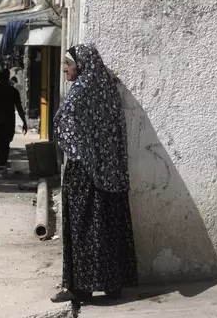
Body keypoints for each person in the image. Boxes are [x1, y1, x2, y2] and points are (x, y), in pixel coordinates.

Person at [51, 44, 138, 303]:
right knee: (106, 225)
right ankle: (113, 286)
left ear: (82, 65)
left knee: (81, 227)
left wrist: (79, 149)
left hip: (84, 170)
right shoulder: (107, 87)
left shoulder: (81, 88)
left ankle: (79, 288)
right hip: (110, 172)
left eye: (68, 63)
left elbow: (63, 119)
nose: (65, 68)